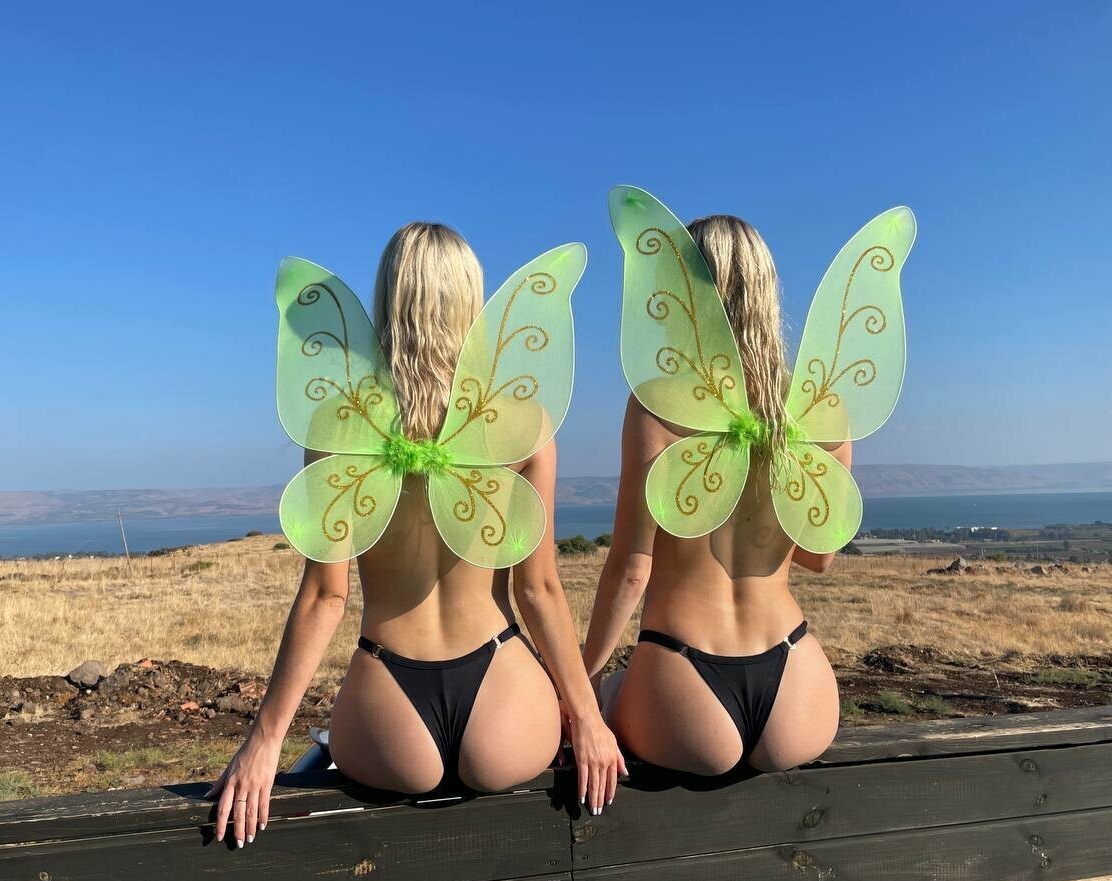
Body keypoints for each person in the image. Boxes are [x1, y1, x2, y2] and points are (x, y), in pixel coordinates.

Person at [209, 223, 624, 846]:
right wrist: (587, 717)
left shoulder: (339, 424)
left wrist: (264, 742)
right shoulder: (522, 423)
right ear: (472, 299)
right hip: (503, 693)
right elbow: (538, 589)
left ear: (385, 298)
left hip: (389, 706)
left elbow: (326, 597)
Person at [584, 206, 843, 777]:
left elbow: (632, 570)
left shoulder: (659, 404)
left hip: (684, 680)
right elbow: (819, 556)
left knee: (613, 692)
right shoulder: (817, 408)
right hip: (796, 677)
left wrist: (584, 688)